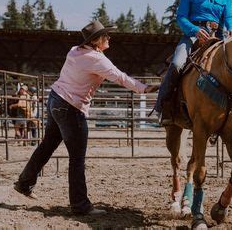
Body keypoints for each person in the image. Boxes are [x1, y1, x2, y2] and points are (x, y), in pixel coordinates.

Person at [14, 20, 158, 215]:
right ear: (97, 40)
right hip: (71, 107)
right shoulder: (97, 59)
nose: (109, 38)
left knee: (47, 145)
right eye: (106, 36)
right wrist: (144, 88)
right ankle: (80, 205)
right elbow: (120, 77)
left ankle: (24, 183)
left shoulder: (75, 50)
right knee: (77, 159)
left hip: (56, 99)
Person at [155, 0, 232, 124]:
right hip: (193, 36)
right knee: (177, 64)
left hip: (218, 38)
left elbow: (229, 17)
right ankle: (164, 106)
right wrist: (195, 30)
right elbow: (181, 17)